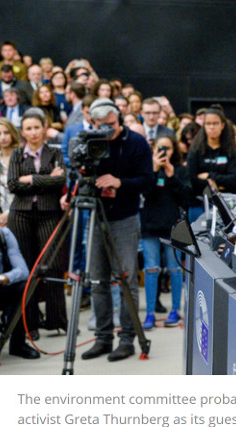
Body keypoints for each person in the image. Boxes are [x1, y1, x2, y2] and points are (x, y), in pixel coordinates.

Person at [72, 98, 152, 362]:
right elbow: (78, 173)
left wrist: (120, 182)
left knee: (127, 280)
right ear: (93, 123)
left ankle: (127, 339)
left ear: (119, 118)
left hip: (125, 218)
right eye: (102, 125)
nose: (109, 129)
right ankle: (103, 338)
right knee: (97, 280)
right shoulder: (89, 141)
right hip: (96, 215)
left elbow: (147, 181)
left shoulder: (136, 143)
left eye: (112, 124)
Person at [7, 108, 67, 337]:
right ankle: (29, 323)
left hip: (49, 212)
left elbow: (61, 180)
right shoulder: (16, 154)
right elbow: (13, 184)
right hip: (20, 215)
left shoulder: (55, 152)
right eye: (28, 129)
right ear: (22, 132)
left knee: (53, 265)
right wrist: (47, 179)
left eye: (37, 128)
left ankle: (57, 320)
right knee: (27, 268)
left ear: (44, 129)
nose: (33, 132)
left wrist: (31, 179)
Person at [140, 133, 192, 330]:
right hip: (150, 225)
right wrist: (154, 171)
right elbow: (145, 193)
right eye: (160, 148)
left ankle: (175, 310)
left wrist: (171, 176)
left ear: (174, 150)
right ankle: (150, 313)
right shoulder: (147, 168)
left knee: (175, 269)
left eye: (167, 148)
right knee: (151, 269)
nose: (164, 152)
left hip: (173, 226)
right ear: (153, 150)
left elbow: (186, 196)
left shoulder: (180, 169)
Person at [0, 206, 38, 359]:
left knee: (24, 288)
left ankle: (18, 344)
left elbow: (23, 270)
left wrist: (0, 278)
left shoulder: (4, 235)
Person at [186, 108, 236, 222]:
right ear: (204, 126)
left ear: (222, 125)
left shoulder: (232, 151)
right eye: (208, 124)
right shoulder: (195, 151)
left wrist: (210, 176)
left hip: (228, 202)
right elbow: (192, 180)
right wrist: (219, 183)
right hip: (200, 203)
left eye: (215, 123)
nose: (212, 127)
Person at [0, 118, 21, 227]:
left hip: (22, 213)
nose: (3, 137)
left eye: (6, 132)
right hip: (0, 216)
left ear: (12, 133)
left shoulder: (24, 157)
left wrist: (10, 212)